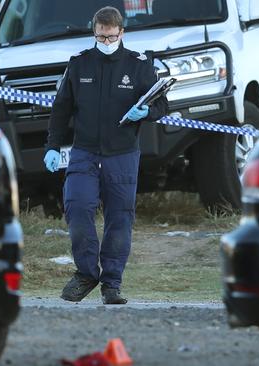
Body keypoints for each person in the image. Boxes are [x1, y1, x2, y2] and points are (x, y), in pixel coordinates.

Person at [43, 6, 167, 304]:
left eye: (111, 37)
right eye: (101, 36)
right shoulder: (79, 64)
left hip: (122, 155)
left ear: (121, 33)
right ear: (93, 33)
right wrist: (52, 146)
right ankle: (86, 272)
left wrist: (147, 111)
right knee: (77, 207)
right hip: (84, 152)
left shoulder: (140, 65)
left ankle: (112, 284)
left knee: (119, 218)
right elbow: (61, 111)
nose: (106, 42)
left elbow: (163, 106)